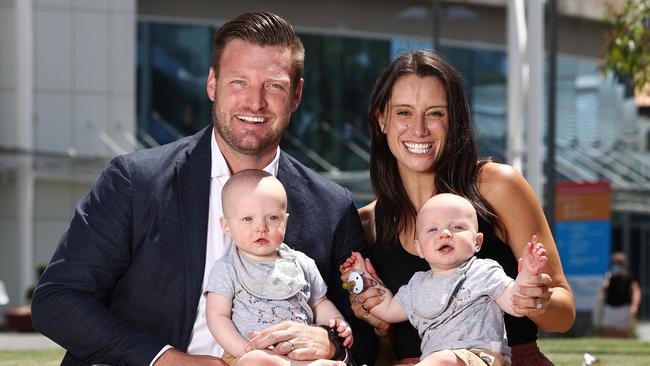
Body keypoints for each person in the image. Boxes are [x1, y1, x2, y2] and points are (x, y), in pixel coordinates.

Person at [31, 11, 376, 366]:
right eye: (239, 82)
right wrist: (166, 360)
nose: (255, 102)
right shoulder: (135, 182)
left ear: (297, 95)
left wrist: (331, 342)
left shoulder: (332, 207)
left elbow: (366, 337)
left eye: (273, 85)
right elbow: (58, 300)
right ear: (212, 83)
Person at [340, 50, 575, 365]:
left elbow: (564, 315)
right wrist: (379, 327)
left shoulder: (497, 186)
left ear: (454, 120)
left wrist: (536, 298)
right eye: (404, 113)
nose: (419, 129)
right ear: (382, 119)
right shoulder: (367, 223)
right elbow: (382, 355)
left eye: (435, 113)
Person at [342, 193, 548, 366]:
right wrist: (361, 278)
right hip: (434, 361)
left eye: (457, 227)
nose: (445, 234)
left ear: (477, 242)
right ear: (420, 249)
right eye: (433, 229)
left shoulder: (483, 272)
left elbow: (516, 303)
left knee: (443, 359)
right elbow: (387, 309)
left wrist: (528, 277)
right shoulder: (417, 285)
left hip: (481, 358)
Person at [206, 170, 351, 366]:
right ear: (227, 226)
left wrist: (337, 323)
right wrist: (243, 348)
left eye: (272, 218)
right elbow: (217, 317)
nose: (262, 227)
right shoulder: (227, 268)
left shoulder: (301, 263)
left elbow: (320, 303)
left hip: (298, 350)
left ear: (285, 221)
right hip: (249, 353)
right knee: (255, 362)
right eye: (248, 219)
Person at [598, 252, 641, 338]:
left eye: (619, 263)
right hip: (609, 308)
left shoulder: (629, 277)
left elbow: (636, 292)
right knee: (607, 332)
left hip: (623, 308)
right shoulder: (608, 277)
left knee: (623, 333)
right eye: (614, 263)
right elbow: (603, 292)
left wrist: (634, 306)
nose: (616, 265)